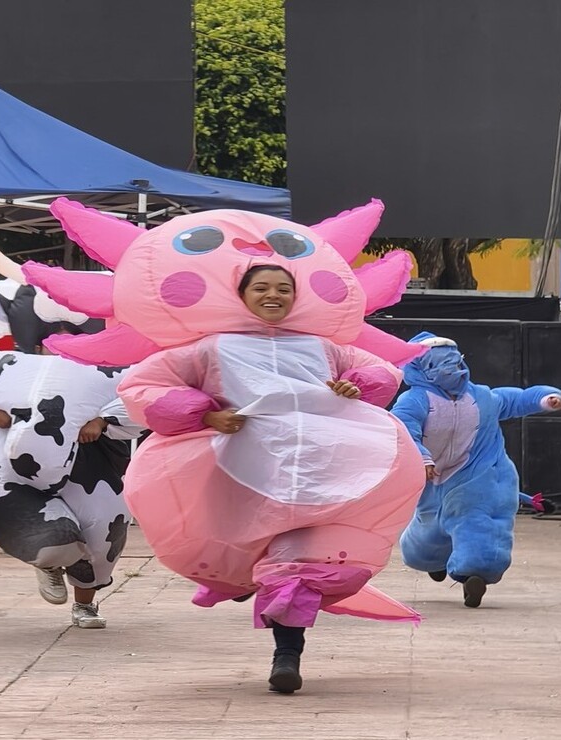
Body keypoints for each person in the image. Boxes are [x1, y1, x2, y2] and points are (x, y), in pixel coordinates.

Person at [118, 264, 425, 693]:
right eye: (260, 287)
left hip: (321, 480)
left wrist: (354, 386)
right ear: (239, 294)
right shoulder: (210, 348)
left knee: (297, 567)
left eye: (283, 288)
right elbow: (144, 384)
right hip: (241, 480)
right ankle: (246, 581)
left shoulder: (324, 347)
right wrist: (205, 414)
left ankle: (287, 655)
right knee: (250, 553)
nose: (272, 295)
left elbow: (381, 373)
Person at [0, 338, 143, 629]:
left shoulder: (116, 369)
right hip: (16, 451)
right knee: (41, 526)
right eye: (54, 343)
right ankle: (49, 560)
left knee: (102, 531)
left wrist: (102, 421)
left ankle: (85, 604)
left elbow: (142, 398)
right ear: (39, 346)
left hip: (94, 457)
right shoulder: (8, 365)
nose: (61, 352)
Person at [391, 332, 561, 607]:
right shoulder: (414, 401)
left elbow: (514, 399)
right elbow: (403, 431)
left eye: (456, 361)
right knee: (426, 535)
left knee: (479, 521)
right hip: (434, 478)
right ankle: (432, 559)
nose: (455, 369)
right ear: (423, 369)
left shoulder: (481, 397)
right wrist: (423, 458)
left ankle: (476, 572)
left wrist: (546, 398)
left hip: (480, 473)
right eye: (443, 364)